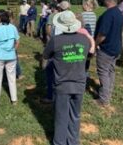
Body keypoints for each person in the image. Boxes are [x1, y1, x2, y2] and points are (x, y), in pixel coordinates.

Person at [43, 10, 90, 145]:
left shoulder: (55, 41)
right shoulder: (84, 39)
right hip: (80, 83)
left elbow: (46, 56)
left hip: (62, 84)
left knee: (61, 116)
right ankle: (73, 141)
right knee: (75, 115)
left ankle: (59, 142)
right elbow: (89, 56)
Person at [94, 0, 123, 106]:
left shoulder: (108, 15)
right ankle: (108, 93)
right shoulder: (119, 13)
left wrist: (95, 44)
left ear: (108, 0)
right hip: (116, 47)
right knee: (111, 71)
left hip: (106, 48)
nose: (103, 1)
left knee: (103, 73)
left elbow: (102, 34)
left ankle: (103, 100)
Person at [0, 10, 20, 107]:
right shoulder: (13, 27)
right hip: (11, 56)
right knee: (11, 78)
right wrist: (12, 50)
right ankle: (14, 100)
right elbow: (17, 41)